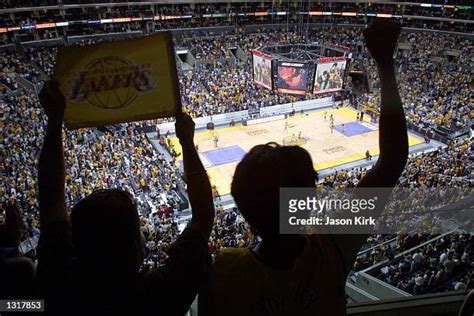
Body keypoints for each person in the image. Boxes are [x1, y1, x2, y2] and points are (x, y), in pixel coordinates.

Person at [199, 19, 408, 316]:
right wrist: (385, 65)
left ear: (243, 208)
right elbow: (393, 160)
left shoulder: (223, 269)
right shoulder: (331, 252)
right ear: (309, 201)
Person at [35, 81, 215, 316]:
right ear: (136, 248)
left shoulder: (58, 285)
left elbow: (51, 197)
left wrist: (55, 120)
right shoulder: (157, 296)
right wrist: (188, 144)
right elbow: (204, 216)